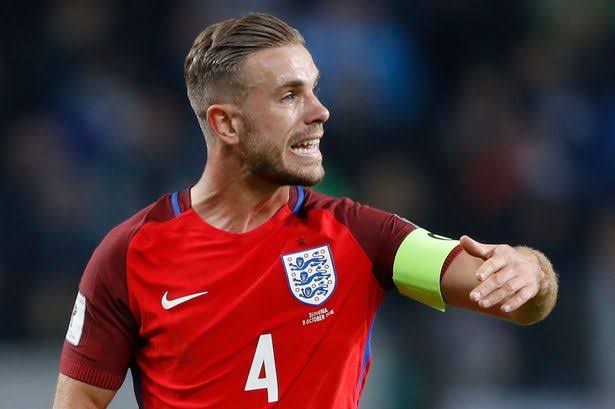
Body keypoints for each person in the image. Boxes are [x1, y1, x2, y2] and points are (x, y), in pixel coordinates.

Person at [52, 12, 558, 409]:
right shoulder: (129, 253)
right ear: (226, 124)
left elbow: (513, 299)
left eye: (314, 89)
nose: (320, 111)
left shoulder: (359, 235)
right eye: (290, 95)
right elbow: (82, 399)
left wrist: (529, 271)